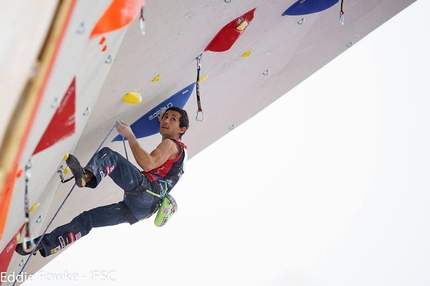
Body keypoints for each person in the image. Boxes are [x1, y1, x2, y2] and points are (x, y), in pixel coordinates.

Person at [16, 106, 189, 257]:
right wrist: (165, 120)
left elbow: (148, 163)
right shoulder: (181, 156)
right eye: (165, 117)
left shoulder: (172, 145)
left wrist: (130, 136)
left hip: (147, 193)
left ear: (182, 129)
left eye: (172, 119)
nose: (166, 120)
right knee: (88, 219)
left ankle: (87, 177)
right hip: (141, 210)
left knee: (109, 156)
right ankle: (43, 245)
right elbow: (161, 166)